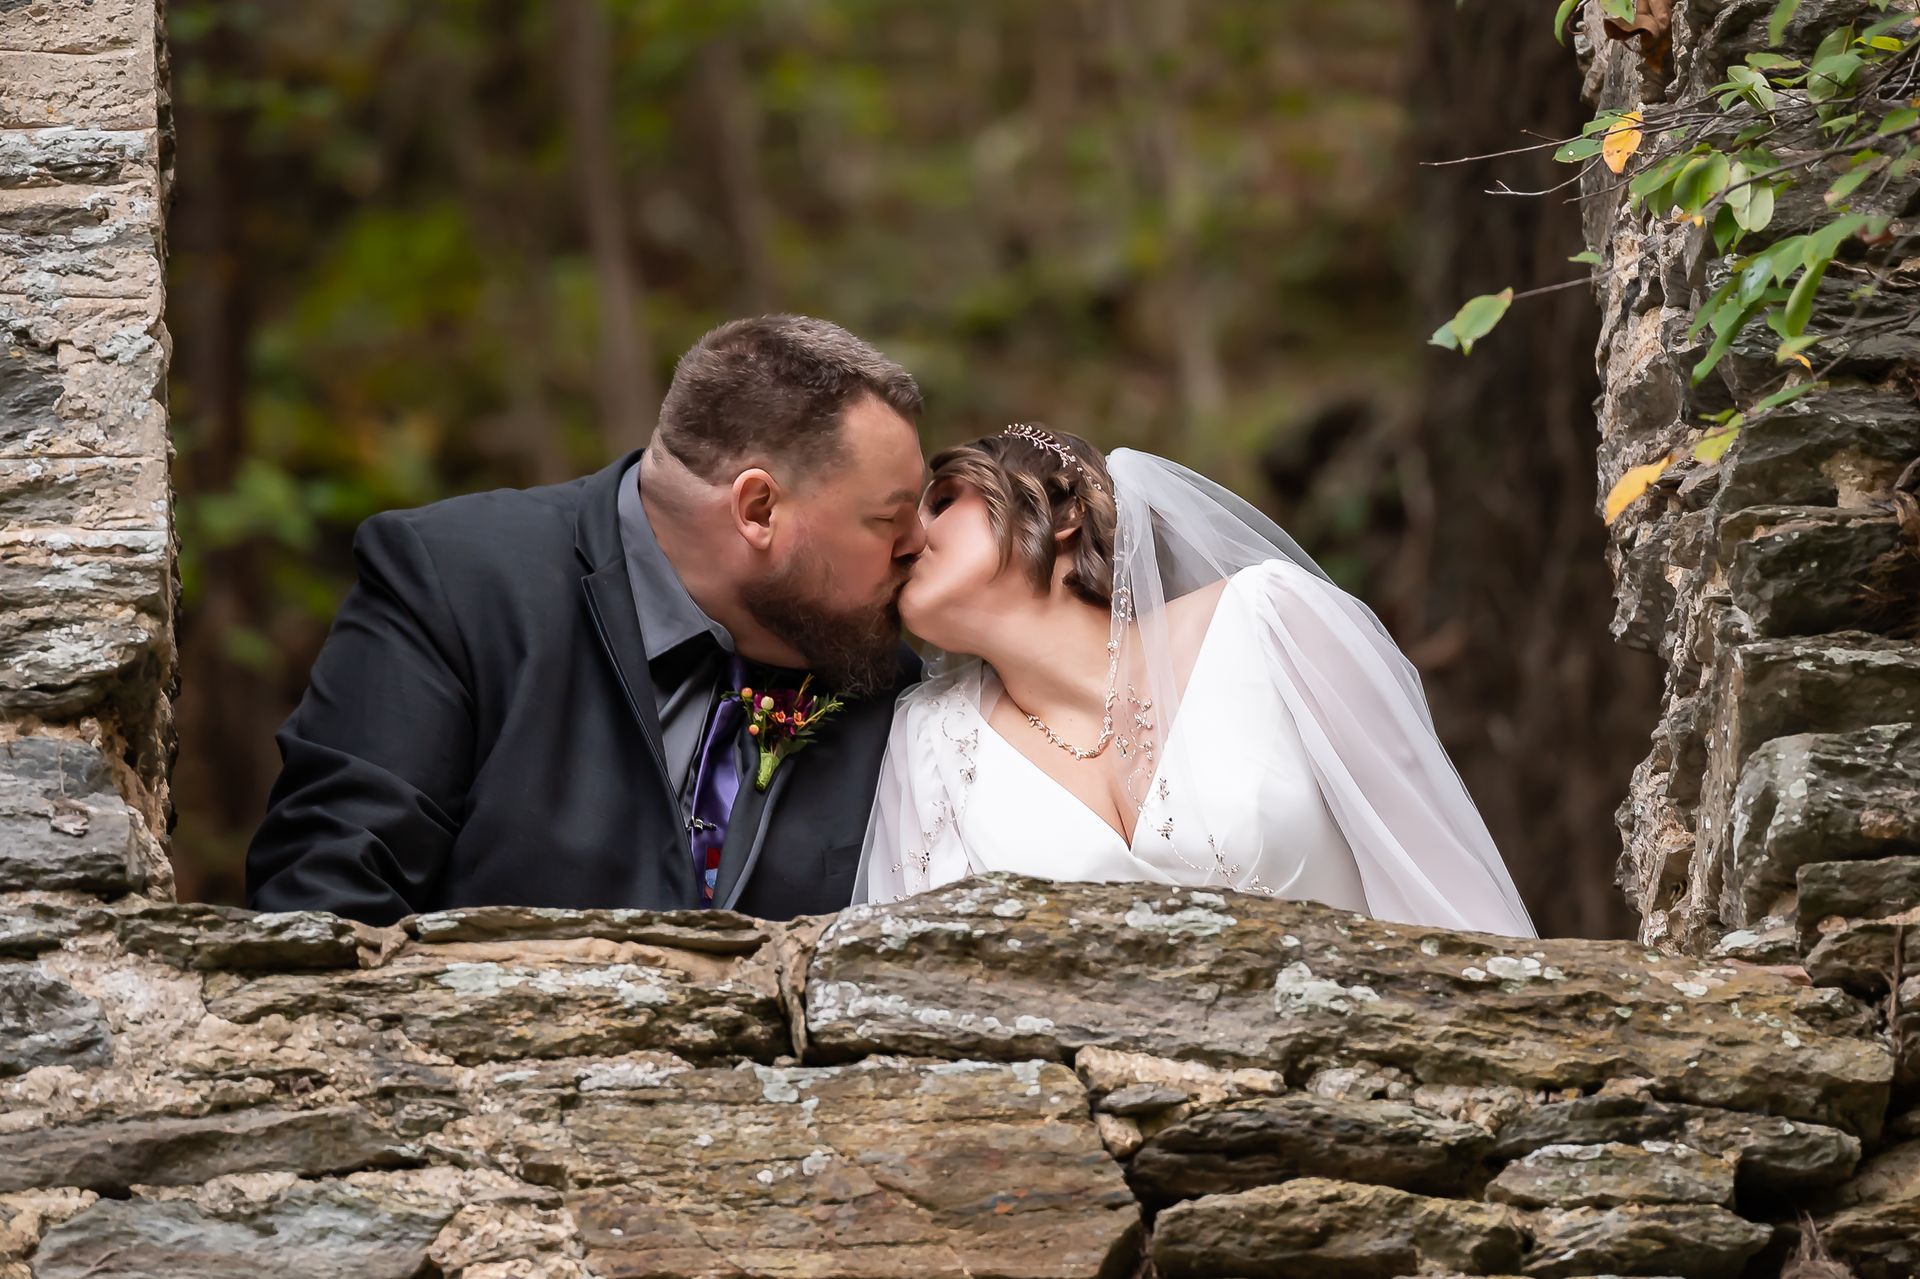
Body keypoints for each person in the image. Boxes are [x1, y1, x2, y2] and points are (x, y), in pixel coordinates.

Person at [247, 315, 929, 925]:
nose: (916, 544)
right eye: (887, 519)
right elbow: (325, 904)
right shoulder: (458, 586)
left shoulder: (884, 681)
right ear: (757, 510)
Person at [854, 424, 1536, 937]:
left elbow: (1444, 891)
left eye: (943, 501)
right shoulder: (928, 740)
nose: (910, 536)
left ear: (1062, 513)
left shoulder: (1273, 622)